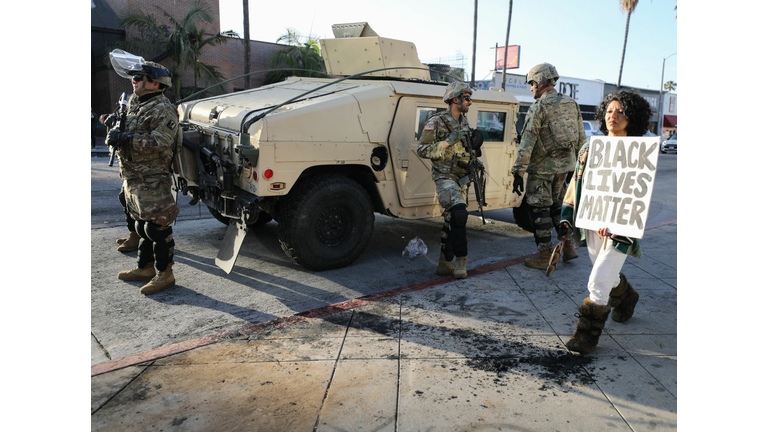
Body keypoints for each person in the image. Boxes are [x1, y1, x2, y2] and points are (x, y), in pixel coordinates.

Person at [558, 90, 652, 354]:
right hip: (591, 223)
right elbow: (575, 183)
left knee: (598, 281)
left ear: (633, 117)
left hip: (621, 228)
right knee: (606, 275)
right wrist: (567, 217)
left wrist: (614, 221)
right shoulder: (590, 148)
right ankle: (626, 297)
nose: (614, 116)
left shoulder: (639, 151)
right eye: (610, 110)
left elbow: (638, 193)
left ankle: (586, 335)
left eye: (621, 111)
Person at [106, 61, 181, 295]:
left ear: (155, 83)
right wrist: (114, 123)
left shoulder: (163, 109)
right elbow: (131, 126)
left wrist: (127, 138)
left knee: (157, 229)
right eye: (134, 77)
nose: (134, 81)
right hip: (132, 175)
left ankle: (165, 274)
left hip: (152, 178)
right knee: (140, 225)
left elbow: (161, 141)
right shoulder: (136, 103)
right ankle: (144, 267)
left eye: (139, 77)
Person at [511, 63, 585, 269]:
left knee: (539, 209)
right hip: (565, 168)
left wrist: (518, 172)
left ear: (539, 82)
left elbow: (527, 142)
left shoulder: (539, 107)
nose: (531, 89)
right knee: (558, 207)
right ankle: (569, 246)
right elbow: (581, 139)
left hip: (542, 169)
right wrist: (579, 168)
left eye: (531, 84)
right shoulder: (572, 104)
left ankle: (545, 256)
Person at [417, 81, 482, 279]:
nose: (470, 102)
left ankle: (444, 263)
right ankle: (461, 260)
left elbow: (466, 150)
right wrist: (448, 141)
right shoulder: (436, 121)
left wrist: (475, 158)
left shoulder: (465, 122)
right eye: (467, 98)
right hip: (445, 175)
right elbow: (422, 150)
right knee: (459, 214)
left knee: (451, 221)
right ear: (456, 99)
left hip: (462, 176)